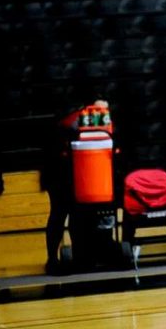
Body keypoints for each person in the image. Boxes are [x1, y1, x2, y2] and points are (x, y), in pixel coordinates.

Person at [45, 96, 112, 274]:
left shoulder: (93, 121)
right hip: (60, 175)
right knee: (60, 216)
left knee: (76, 218)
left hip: (79, 176)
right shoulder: (75, 122)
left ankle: (81, 258)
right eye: (101, 109)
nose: (104, 113)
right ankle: (53, 259)